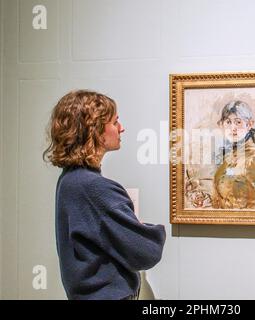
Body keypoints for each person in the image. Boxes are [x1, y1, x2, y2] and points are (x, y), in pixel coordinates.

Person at [43, 90, 166, 300]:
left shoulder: (70, 180)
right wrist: (152, 230)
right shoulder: (95, 188)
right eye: (115, 122)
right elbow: (146, 251)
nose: (122, 128)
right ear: (95, 129)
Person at [212, 100, 255, 210]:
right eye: (228, 122)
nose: (233, 128)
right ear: (222, 124)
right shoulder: (230, 156)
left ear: (249, 124)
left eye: (238, 122)